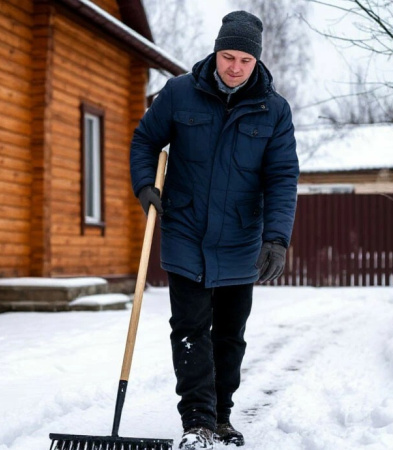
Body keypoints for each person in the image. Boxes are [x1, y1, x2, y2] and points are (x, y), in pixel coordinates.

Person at [130, 10, 299, 450]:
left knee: (228, 335)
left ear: (256, 61)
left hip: (241, 238)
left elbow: (282, 176)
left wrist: (277, 238)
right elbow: (146, 140)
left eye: (244, 59)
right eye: (228, 56)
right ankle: (198, 423)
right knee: (189, 330)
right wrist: (145, 185)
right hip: (185, 230)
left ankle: (221, 417)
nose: (235, 67)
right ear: (216, 51)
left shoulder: (274, 110)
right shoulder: (179, 93)